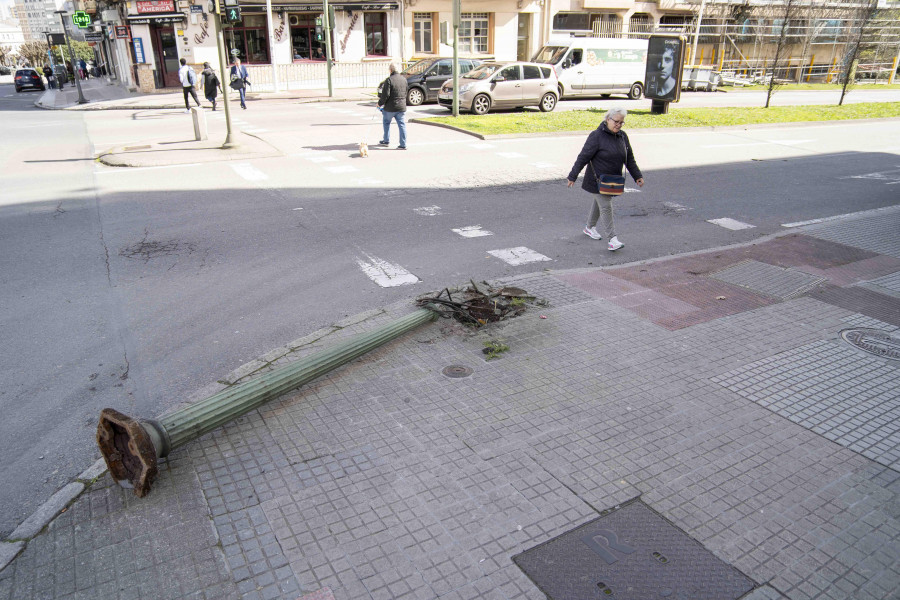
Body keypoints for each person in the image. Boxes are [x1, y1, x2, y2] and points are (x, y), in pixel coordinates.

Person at [566, 107, 644, 252]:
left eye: (621, 122)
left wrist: (637, 176)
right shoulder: (596, 136)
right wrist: (573, 176)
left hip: (612, 180)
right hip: (597, 180)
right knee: (606, 206)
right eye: (616, 121)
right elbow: (583, 157)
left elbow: (629, 159)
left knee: (600, 202)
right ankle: (612, 239)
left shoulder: (622, 136)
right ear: (608, 119)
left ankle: (589, 227)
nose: (619, 125)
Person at [377, 63, 408, 150]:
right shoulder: (404, 80)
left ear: (390, 70)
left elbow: (385, 95)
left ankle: (386, 140)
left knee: (386, 122)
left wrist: (379, 103)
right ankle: (403, 144)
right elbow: (406, 92)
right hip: (401, 107)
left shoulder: (389, 80)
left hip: (390, 108)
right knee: (402, 125)